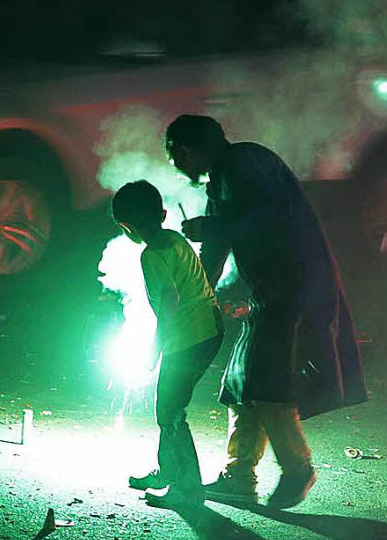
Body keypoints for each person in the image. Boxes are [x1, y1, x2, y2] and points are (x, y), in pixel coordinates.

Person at [166, 114, 367, 509]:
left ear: (186, 149)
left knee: (264, 382)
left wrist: (214, 227)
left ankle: (296, 468)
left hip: (294, 286)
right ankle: (239, 475)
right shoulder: (222, 178)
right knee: (243, 382)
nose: (175, 167)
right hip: (272, 292)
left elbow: (268, 218)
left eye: (174, 157)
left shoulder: (246, 163)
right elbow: (217, 247)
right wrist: (199, 291)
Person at [111, 180, 224, 505]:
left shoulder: (152, 255)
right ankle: (168, 471)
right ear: (162, 213)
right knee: (168, 405)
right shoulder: (174, 239)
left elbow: (170, 303)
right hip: (209, 331)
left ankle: (187, 489)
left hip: (187, 338)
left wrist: (154, 348)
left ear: (126, 226)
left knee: (170, 410)